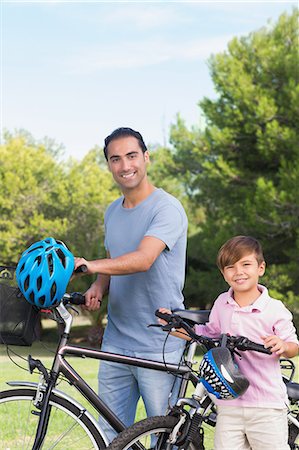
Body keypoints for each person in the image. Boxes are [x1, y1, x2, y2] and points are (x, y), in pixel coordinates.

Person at [74, 127, 187, 441]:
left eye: (132, 155)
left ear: (146, 157)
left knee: (165, 438)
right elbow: (115, 256)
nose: (125, 165)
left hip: (160, 342)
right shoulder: (112, 211)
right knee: (109, 435)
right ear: (109, 165)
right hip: (117, 341)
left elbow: (142, 259)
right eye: (115, 159)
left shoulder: (167, 208)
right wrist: (99, 284)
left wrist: (88, 264)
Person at [159, 235, 299, 450]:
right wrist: (177, 328)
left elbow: (293, 345)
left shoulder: (274, 308)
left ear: (261, 268)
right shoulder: (222, 302)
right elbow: (209, 333)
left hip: (265, 406)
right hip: (228, 406)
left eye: (246, 264)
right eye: (230, 267)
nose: (238, 272)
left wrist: (283, 345)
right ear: (224, 274)